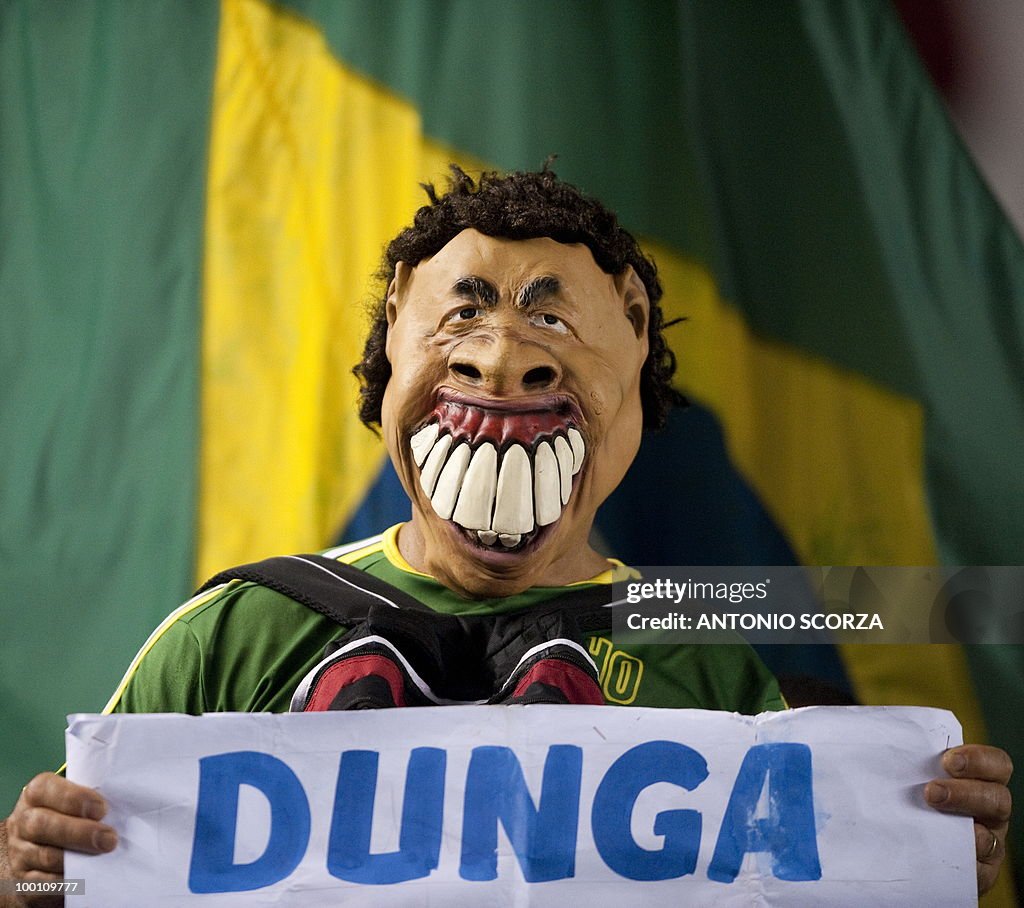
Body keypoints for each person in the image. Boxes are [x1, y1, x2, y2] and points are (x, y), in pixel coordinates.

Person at [1, 167, 1012, 900]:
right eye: (460, 318)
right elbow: (78, 885)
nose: (502, 363)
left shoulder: (702, 651)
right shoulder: (231, 633)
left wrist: (910, 857)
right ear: (393, 335)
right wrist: (34, 880)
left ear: (636, 358)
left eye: (554, 323)